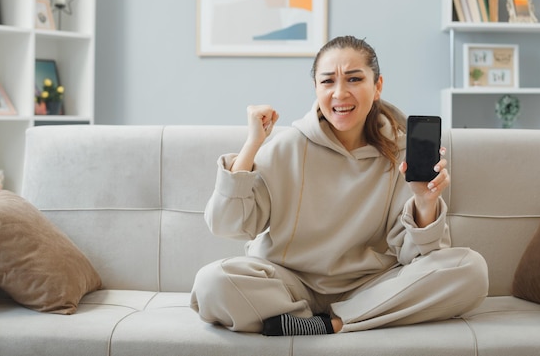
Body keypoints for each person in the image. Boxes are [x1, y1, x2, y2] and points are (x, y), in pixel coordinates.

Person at [190, 35, 488, 335]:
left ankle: (330, 323)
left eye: (354, 79)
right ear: (316, 89)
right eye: (328, 81)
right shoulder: (288, 147)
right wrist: (253, 144)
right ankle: (329, 319)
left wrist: (425, 202)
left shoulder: (401, 153)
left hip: (370, 287)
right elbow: (226, 224)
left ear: (378, 87)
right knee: (212, 282)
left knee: (470, 270)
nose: (340, 93)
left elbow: (417, 257)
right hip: (289, 283)